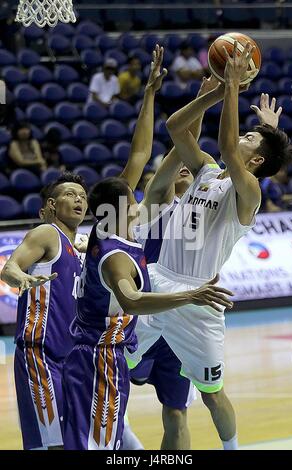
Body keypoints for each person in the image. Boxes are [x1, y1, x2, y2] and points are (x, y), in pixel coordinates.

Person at [62, 45, 234, 451]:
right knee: (101, 422)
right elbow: (157, 158)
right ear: (118, 206)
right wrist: (206, 99)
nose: (138, 189)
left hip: (161, 317)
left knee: (172, 412)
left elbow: (148, 154)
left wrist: (156, 94)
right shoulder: (126, 232)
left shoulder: (166, 212)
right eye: (131, 192)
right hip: (123, 330)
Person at [126, 43, 292, 451]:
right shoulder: (206, 170)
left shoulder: (249, 192)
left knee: (211, 392)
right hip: (156, 281)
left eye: (251, 137)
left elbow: (227, 146)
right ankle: (115, 435)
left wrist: (235, 85)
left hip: (200, 299)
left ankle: (232, 449)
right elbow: (174, 128)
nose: (245, 137)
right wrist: (217, 91)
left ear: (255, 161)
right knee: (113, 358)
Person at [0, 172, 88, 450]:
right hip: (42, 354)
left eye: (83, 197)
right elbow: (9, 268)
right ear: (51, 205)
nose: (79, 200)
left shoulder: (80, 248)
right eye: (71, 194)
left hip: (72, 355)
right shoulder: (48, 233)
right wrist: (21, 278)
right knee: (55, 444)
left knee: (67, 440)